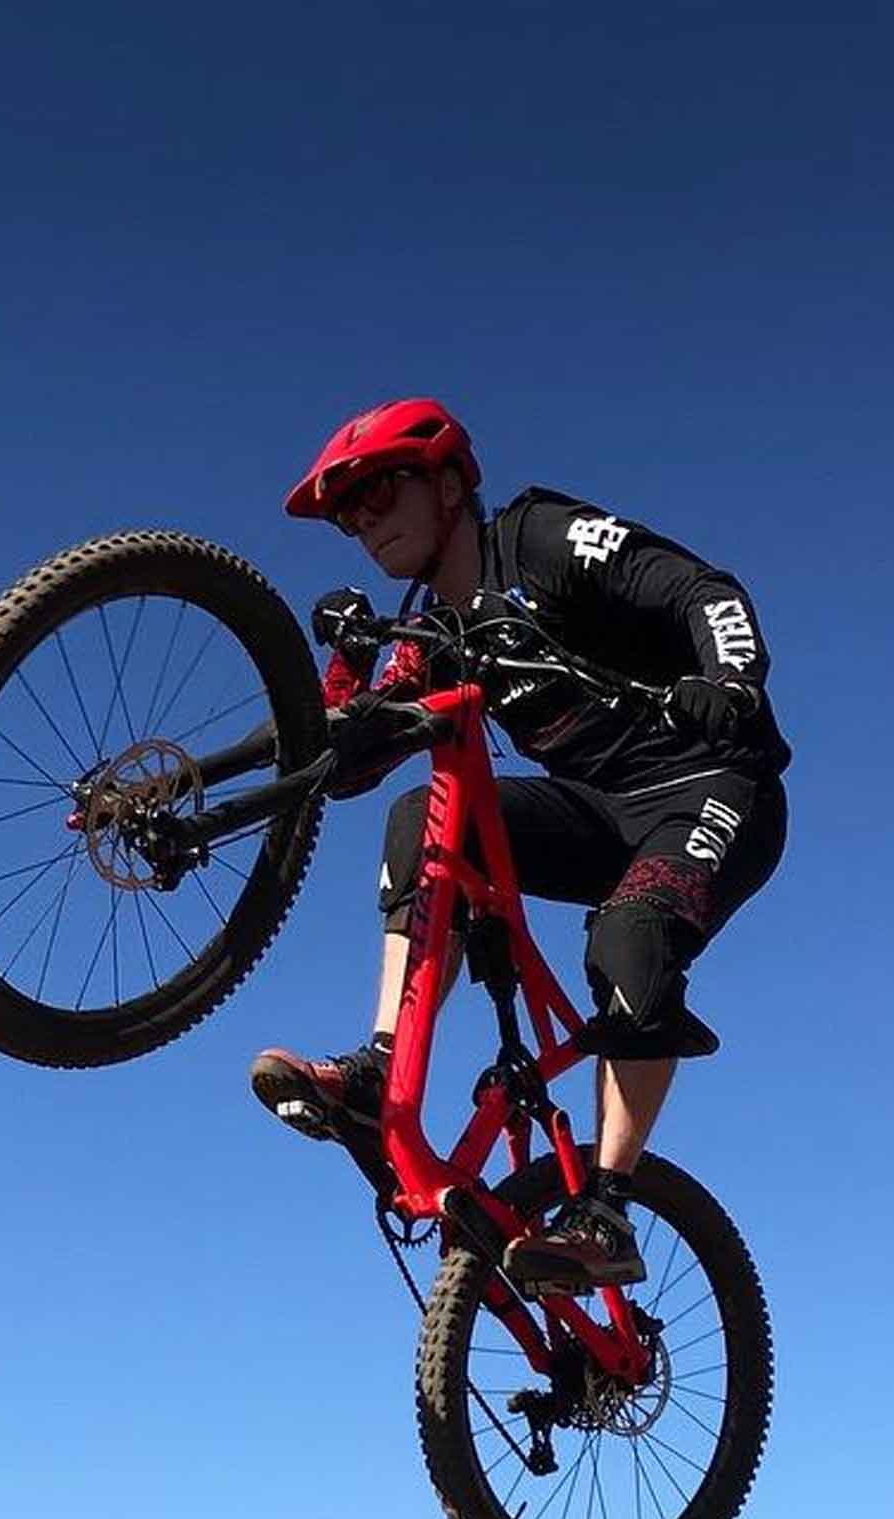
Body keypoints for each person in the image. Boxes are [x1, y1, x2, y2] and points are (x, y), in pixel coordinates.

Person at [250, 396, 791, 1291]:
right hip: (591, 812)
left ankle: (607, 1208)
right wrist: (343, 671)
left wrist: (729, 681)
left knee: (631, 936)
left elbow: (707, 592)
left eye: (380, 492)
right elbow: (344, 763)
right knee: (420, 814)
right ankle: (381, 1070)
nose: (363, 522)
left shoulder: (540, 537)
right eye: (348, 513)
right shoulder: (431, 635)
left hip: (707, 789)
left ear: (452, 481)